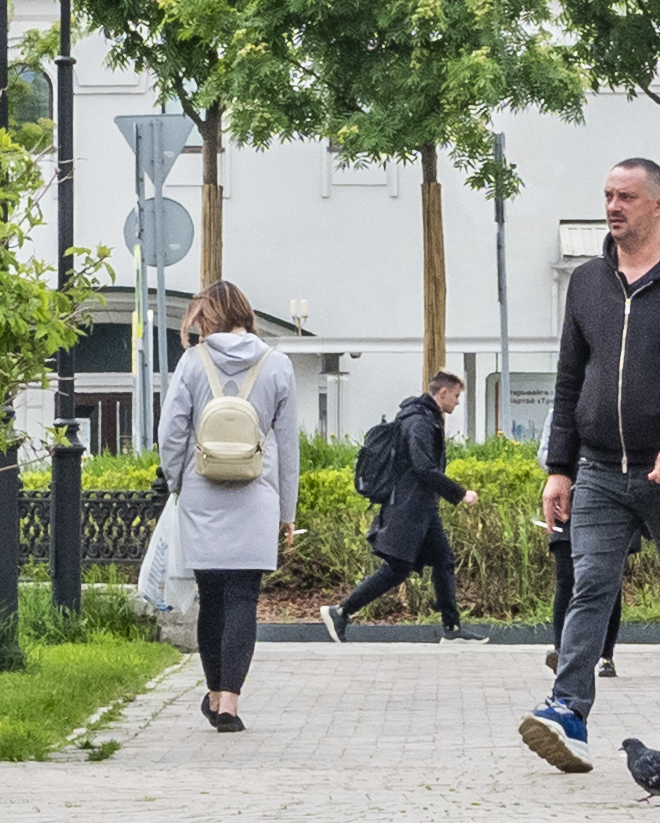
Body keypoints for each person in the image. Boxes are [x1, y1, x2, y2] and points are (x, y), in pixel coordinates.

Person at [524, 156, 660, 773]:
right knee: (591, 585)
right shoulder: (588, 281)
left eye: (627, 197)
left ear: (658, 205)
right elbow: (569, 379)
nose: (613, 207)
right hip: (598, 469)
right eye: (608, 196)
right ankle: (569, 711)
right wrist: (559, 466)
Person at [154, 283, 297, 731]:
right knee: (243, 600)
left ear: (210, 319)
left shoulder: (192, 364)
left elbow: (171, 432)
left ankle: (214, 695)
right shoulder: (278, 365)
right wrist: (286, 511)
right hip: (257, 497)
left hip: (202, 494)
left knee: (211, 598)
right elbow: (288, 445)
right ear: (245, 314)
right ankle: (230, 704)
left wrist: (178, 481)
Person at [325, 369, 474, 635]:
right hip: (408, 509)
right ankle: (342, 611)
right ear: (443, 393)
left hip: (421, 509)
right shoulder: (419, 422)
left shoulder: (425, 418)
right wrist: (460, 493)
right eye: (456, 395)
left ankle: (452, 629)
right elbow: (424, 468)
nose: (458, 402)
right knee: (397, 569)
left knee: (443, 561)